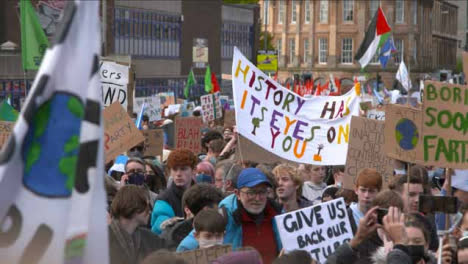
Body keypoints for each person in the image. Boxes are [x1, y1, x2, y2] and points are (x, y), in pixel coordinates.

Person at [177, 168, 282, 264]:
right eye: (251, 192)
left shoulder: (278, 215)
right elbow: (186, 248)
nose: (257, 198)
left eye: (262, 192)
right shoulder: (223, 215)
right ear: (237, 193)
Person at [108, 185, 166, 264]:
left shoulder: (151, 238)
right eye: (147, 206)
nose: (149, 211)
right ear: (134, 205)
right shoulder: (102, 239)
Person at [163, 183, 223, 250]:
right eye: (218, 210)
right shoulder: (185, 247)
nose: (221, 213)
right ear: (206, 210)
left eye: (218, 236)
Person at [151, 149, 196, 235]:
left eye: (183, 169)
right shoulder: (164, 199)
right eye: (175, 169)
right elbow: (159, 226)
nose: (178, 174)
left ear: (193, 170)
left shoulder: (203, 195)